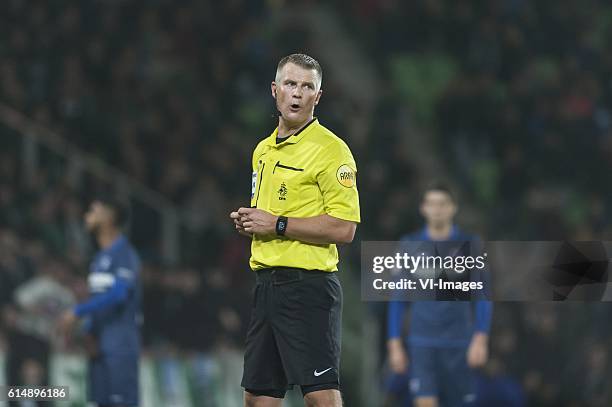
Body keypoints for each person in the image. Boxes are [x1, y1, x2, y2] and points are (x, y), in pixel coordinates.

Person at [230, 53, 360, 407]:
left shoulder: (332, 151)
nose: (297, 93)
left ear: (318, 96)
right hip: (266, 286)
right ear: (275, 90)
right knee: (258, 398)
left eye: (307, 87)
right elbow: (274, 216)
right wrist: (254, 223)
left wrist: (276, 224)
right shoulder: (263, 150)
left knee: (320, 398)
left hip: (309, 288)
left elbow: (345, 227)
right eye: (290, 84)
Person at [386, 183, 492, 407]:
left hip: (459, 342)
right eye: (432, 204)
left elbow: (482, 296)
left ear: (453, 208)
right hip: (422, 341)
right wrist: (394, 344)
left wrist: (480, 338)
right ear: (423, 208)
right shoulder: (409, 245)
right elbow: (398, 297)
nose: (437, 209)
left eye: (442, 204)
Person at [59, 196, 142, 407]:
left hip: (120, 347)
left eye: (92, 211)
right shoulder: (98, 259)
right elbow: (100, 302)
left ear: (108, 217)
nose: (86, 217)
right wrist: (89, 331)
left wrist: (78, 311)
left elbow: (119, 294)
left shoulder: (124, 254)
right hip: (98, 347)